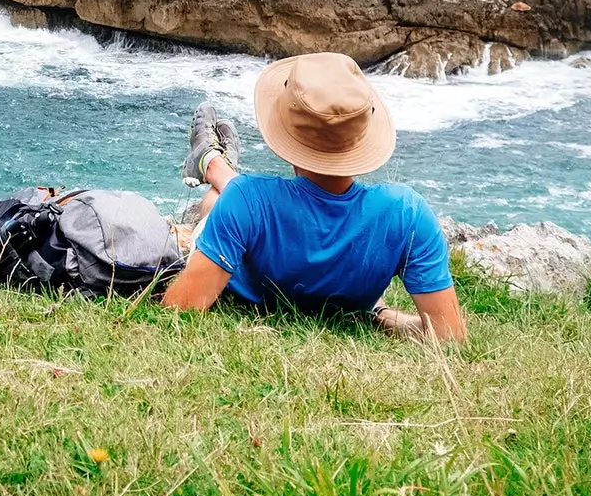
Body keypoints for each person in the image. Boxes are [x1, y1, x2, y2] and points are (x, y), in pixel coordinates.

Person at [161, 52, 467, 343]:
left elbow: (180, 308)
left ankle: (211, 161)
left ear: (286, 131)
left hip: (241, 252)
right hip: (356, 301)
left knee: (214, 202)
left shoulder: (245, 198)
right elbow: (449, 335)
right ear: (362, 133)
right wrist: (380, 313)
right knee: (231, 198)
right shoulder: (407, 212)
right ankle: (213, 161)